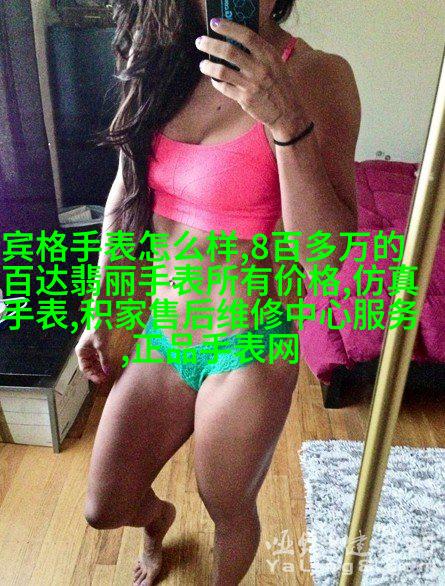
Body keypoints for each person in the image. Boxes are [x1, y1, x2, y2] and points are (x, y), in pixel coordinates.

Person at [75, 1, 361, 584]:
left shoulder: (319, 76)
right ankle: (158, 522)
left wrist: (284, 121)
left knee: (227, 507)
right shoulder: (161, 58)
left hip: (250, 348)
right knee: (103, 505)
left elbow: (326, 259)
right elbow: (124, 192)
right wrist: (104, 309)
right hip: (165, 332)